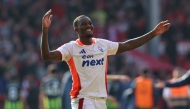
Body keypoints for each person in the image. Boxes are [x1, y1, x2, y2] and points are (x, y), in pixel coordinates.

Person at [40, 9, 170, 109]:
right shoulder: (71, 47)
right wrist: (45, 29)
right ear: (76, 29)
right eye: (83, 24)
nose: (88, 26)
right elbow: (47, 56)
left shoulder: (102, 44)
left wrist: (154, 33)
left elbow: (128, 45)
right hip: (83, 99)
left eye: (90, 23)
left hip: (101, 100)